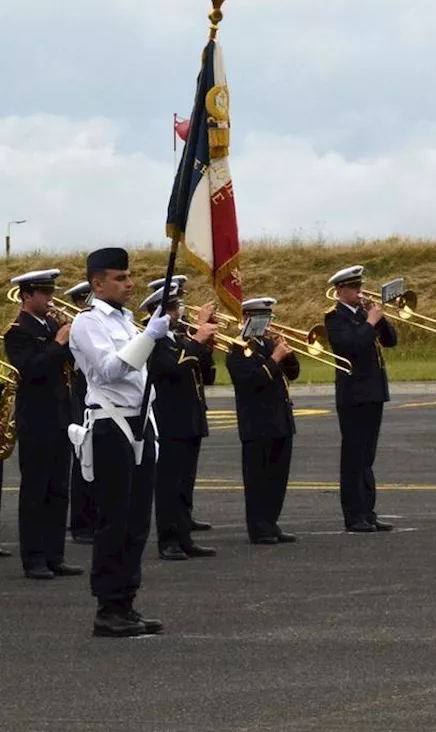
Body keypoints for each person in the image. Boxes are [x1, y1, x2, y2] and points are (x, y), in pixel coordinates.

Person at [67, 248, 167, 637]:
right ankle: (108, 606)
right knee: (115, 519)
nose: (130, 284)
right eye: (121, 278)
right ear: (98, 283)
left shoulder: (126, 321)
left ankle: (127, 601)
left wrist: (152, 337)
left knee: (138, 519)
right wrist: (148, 339)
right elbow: (109, 371)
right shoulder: (88, 323)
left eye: (129, 277)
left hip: (139, 423)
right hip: (111, 427)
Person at [4, 269, 82, 580]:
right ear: (26, 296)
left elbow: (71, 365)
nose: (51, 298)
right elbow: (31, 369)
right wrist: (59, 342)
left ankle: (55, 554)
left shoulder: (51, 324)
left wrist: (69, 339)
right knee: (36, 489)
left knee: (58, 488)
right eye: (44, 293)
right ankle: (34, 558)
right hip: (36, 418)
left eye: (51, 291)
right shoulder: (17, 331)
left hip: (61, 415)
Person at [142, 282, 218, 560]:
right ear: (159, 313)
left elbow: (205, 376)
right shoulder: (154, 342)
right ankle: (169, 540)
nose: (180, 313)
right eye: (174, 309)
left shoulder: (178, 340)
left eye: (178, 307)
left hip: (191, 418)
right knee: (168, 484)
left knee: (185, 482)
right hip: (169, 420)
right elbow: (173, 371)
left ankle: (185, 536)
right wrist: (198, 340)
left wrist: (204, 345)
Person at [324, 265, 398, 533]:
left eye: (360, 286)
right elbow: (349, 346)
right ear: (341, 290)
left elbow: (391, 341)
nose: (359, 291)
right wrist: (369, 322)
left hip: (374, 392)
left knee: (368, 456)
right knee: (354, 456)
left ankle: (368, 510)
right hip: (353, 395)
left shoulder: (365, 314)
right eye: (354, 288)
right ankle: (354, 515)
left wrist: (379, 318)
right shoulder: (334, 318)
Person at [226, 298, 300, 545]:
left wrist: (286, 353)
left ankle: (271, 521)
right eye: (261, 318)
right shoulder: (237, 349)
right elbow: (253, 381)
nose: (268, 324)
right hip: (257, 423)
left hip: (280, 419)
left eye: (268, 318)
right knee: (259, 478)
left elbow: (293, 374)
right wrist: (276, 357)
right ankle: (259, 527)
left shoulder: (268, 344)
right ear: (247, 318)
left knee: (278, 477)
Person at [63, 280, 98, 544]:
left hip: (97, 394)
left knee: (97, 459)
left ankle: (94, 516)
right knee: (82, 457)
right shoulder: (77, 326)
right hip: (81, 394)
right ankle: (81, 522)